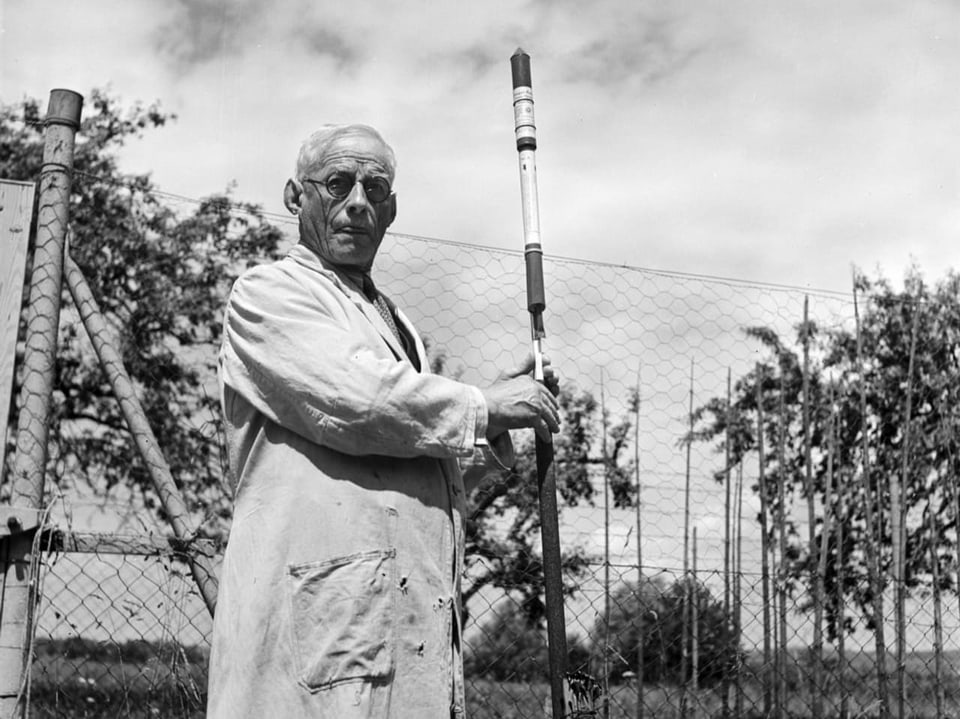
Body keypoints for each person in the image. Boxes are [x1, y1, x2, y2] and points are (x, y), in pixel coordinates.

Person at [206, 124, 560, 719]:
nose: (357, 205)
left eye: (375, 190)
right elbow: (355, 400)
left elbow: (421, 469)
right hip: (327, 633)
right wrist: (482, 404)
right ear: (296, 197)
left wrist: (497, 425)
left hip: (395, 628)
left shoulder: (396, 322)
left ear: (391, 209)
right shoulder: (268, 293)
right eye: (338, 185)